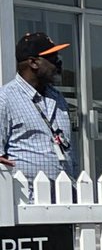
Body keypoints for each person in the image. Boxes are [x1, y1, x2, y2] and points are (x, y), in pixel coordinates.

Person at [0, 31, 77, 182]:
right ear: (33, 63)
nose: (59, 64)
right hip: (26, 199)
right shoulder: (5, 99)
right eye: (54, 59)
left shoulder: (58, 98)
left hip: (66, 195)